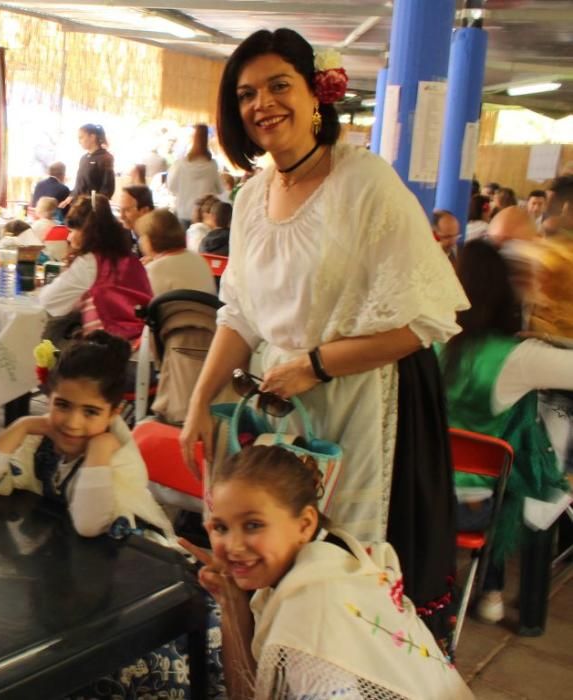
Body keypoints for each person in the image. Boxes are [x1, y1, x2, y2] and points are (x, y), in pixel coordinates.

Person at [180, 27, 468, 647]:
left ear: (318, 94)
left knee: (344, 570)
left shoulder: (365, 182)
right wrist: (199, 403)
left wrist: (316, 363)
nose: (263, 104)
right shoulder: (252, 195)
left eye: (279, 86)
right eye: (247, 93)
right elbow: (238, 313)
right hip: (281, 405)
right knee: (269, 557)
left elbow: (424, 319)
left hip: (361, 399)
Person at [182, 445, 473, 700]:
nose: (232, 546)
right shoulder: (328, 556)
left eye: (253, 525)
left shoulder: (311, 612)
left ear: (305, 523)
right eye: (221, 527)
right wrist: (231, 601)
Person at [440, 240, 573, 623]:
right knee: (524, 473)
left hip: (413, 495)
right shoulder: (516, 358)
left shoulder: (423, 339)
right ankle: (493, 592)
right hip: (471, 508)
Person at [0, 331, 173, 537]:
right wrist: (23, 425)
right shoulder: (39, 441)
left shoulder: (115, 458)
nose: (73, 423)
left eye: (91, 412)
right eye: (63, 405)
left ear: (113, 413)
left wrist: (99, 449)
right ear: (49, 398)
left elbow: (89, 526)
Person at [38, 194, 152, 343]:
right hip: (142, 340)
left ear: (87, 231)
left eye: (72, 231)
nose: (69, 238)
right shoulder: (128, 258)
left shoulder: (90, 263)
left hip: (111, 347)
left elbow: (48, 300)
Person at [136, 208, 216, 296]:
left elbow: (140, 300)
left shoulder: (153, 270)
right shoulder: (199, 259)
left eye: (142, 236)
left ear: (149, 240)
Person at [168, 124, 224, 229]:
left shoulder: (181, 164)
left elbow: (171, 186)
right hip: (202, 214)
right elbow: (220, 189)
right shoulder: (212, 165)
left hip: (182, 212)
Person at [69, 124, 115, 200]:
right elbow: (79, 185)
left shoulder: (105, 158)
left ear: (92, 137)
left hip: (91, 207)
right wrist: (70, 197)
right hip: (78, 205)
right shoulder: (83, 158)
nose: (79, 142)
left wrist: (96, 206)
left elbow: (107, 188)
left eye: (81, 137)